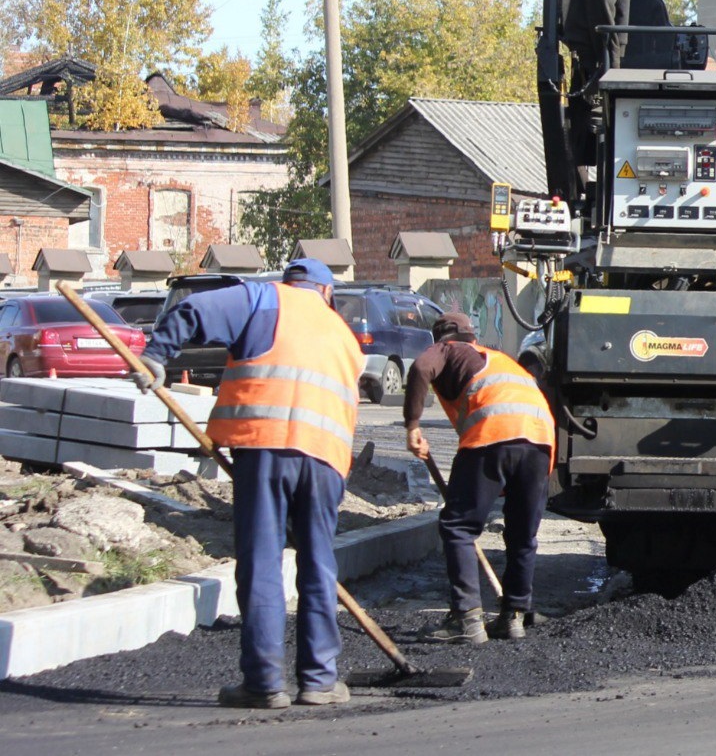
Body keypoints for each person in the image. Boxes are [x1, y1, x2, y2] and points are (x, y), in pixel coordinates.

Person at [135, 257, 363, 708]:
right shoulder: (345, 337)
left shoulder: (262, 298)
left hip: (264, 447)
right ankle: (318, 682)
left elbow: (192, 310)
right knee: (318, 565)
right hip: (326, 462)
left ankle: (263, 683)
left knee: (262, 561)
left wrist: (155, 356)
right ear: (327, 293)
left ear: (290, 282)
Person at [404, 312, 555, 644]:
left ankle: (467, 620)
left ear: (443, 338)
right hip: (541, 441)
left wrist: (413, 425)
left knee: (458, 526)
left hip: (493, 434)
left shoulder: (448, 350)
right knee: (522, 536)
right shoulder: (500, 359)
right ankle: (514, 617)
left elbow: (418, 369)